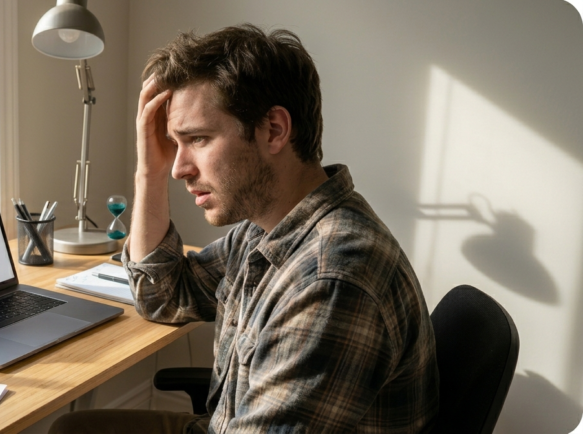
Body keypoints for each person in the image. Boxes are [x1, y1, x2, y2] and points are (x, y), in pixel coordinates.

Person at [50, 24, 438, 433]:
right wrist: (150, 172)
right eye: (175, 143)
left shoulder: (330, 280)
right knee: (72, 429)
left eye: (198, 139)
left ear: (274, 130)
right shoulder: (270, 228)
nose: (179, 168)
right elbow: (163, 296)